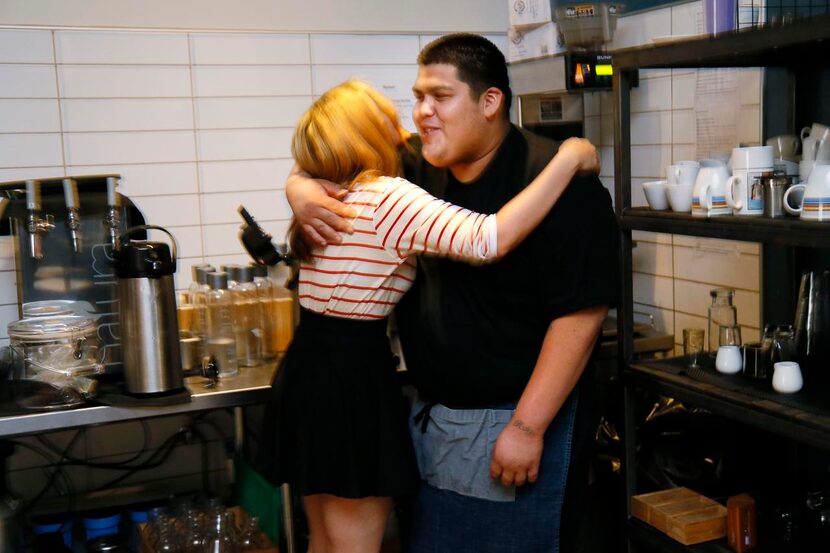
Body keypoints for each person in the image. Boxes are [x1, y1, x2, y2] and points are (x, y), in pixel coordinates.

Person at [285, 34, 619, 553]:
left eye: (439, 97)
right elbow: (325, 155)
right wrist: (300, 190)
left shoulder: (558, 182)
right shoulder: (417, 163)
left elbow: (581, 316)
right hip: (432, 423)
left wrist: (528, 427)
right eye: (418, 97)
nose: (421, 113)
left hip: (509, 426)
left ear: (490, 102)